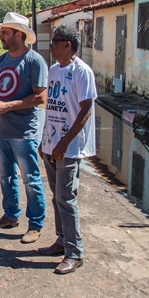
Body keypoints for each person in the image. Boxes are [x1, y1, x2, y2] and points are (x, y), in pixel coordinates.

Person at [38, 24, 97, 274]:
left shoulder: (82, 72)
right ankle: (61, 241)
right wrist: (46, 141)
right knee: (57, 196)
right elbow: (52, 108)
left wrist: (64, 143)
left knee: (66, 197)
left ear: (68, 45)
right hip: (52, 143)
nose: (51, 46)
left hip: (70, 147)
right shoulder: (53, 70)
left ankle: (75, 252)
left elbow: (85, 111)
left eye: (55, 41)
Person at [0, 12, 48, 245]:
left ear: (19, 35)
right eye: (1, 32)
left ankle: (36, 224)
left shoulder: (35, 61)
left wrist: (8, 106)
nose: (1, 36)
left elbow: (40, 97)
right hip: (1, 129)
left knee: (31, 179)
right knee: (6, 177)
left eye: (5, 33)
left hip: (24, 131)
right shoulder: (0, 61)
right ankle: (11, 215)